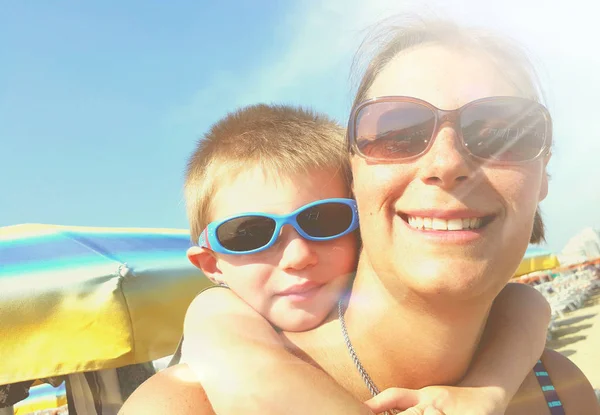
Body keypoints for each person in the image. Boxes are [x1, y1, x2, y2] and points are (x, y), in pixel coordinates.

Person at [120, 17, 600, 415]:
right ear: (354, 178)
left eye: (502, 132)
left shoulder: (560, 387)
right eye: (397, 132)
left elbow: (525, 306)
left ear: (542, 175)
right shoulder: (188, 404)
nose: (448, 163)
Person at [177, 103, 548, 415]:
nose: (297, 256)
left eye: (324, 220)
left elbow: (525, 301)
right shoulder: (217, 322)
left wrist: (489, 391)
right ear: (211, 264)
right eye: (249, 234)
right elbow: (251, 380)